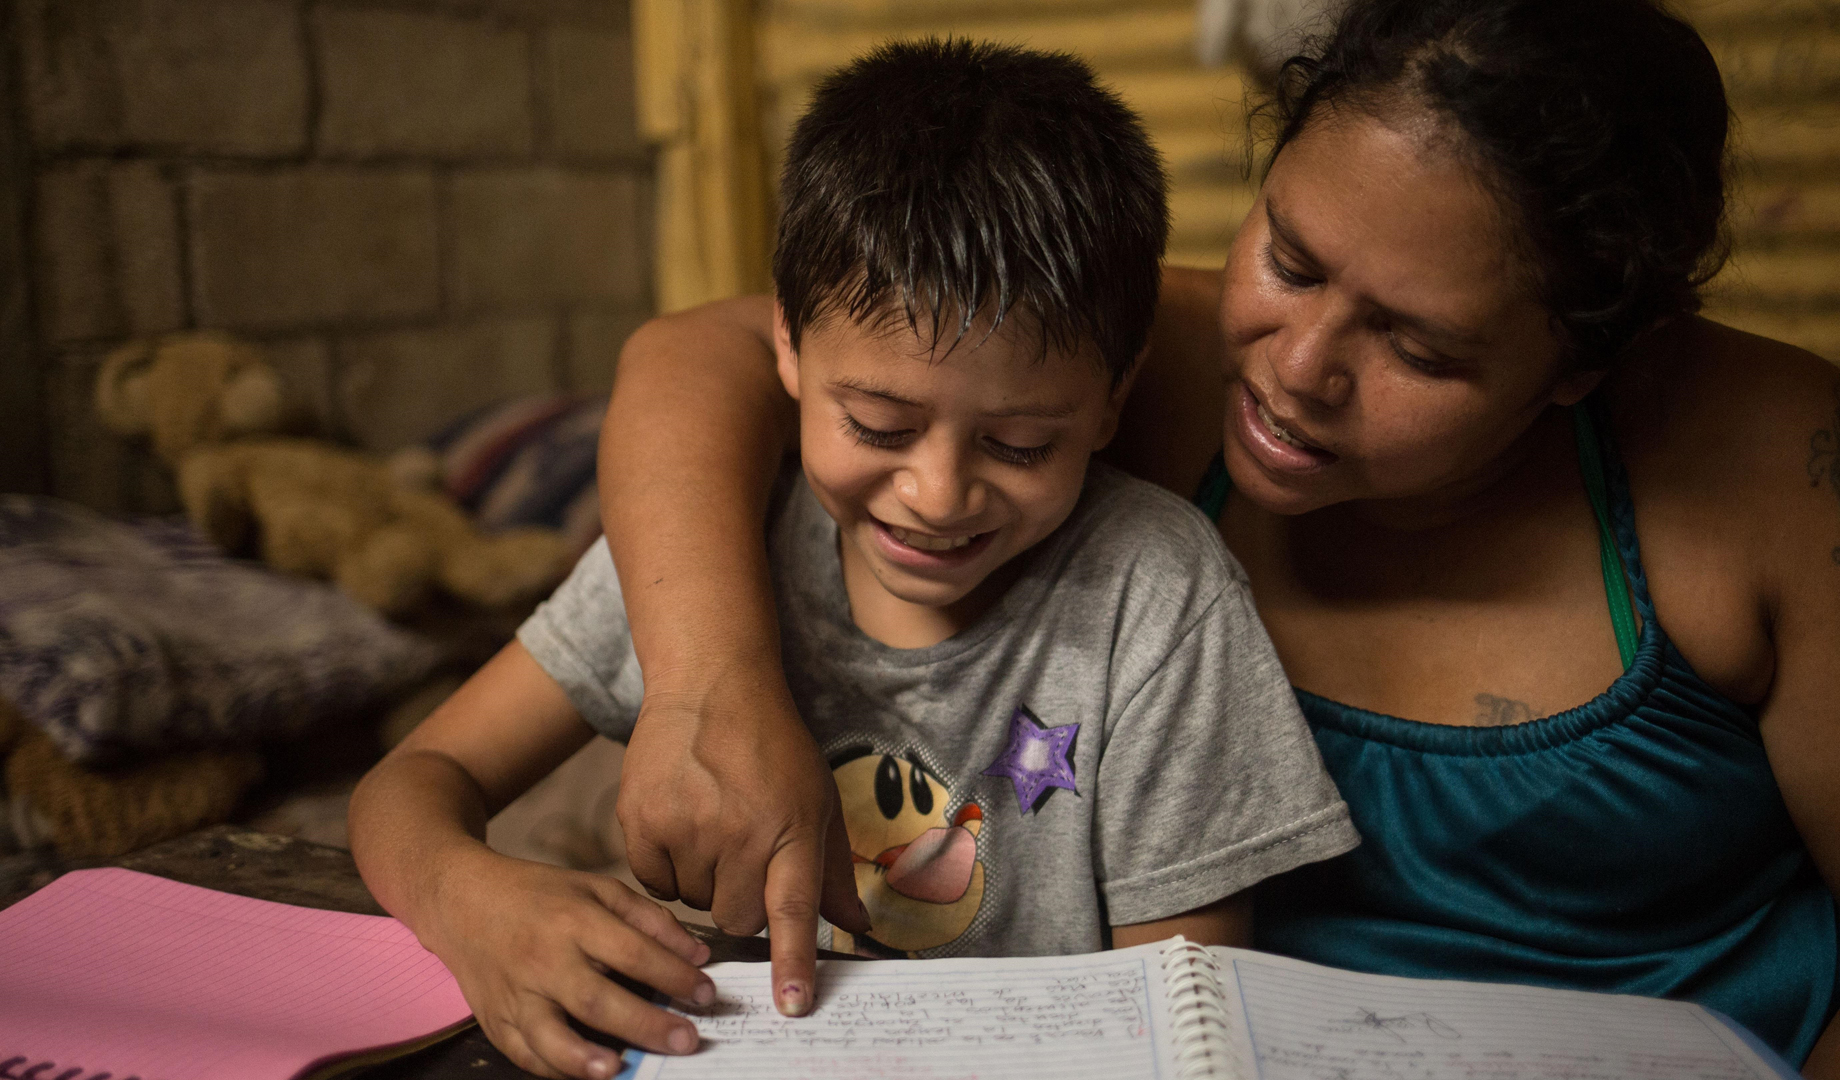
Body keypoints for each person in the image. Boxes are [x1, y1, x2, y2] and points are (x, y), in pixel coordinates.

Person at [596, 0, 1840, 1073]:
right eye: (1289, 258)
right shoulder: (1141, 370)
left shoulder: (1775, 471)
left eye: (1418, 349)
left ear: (1582, 364)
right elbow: (704, 354)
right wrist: (712, 687)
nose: (1297, 373)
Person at [350, 39, 1358, 1080]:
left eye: (1021, 445)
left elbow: (1186, 1008)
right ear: (786, 345)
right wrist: (471, 901)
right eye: (878, 425)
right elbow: (409, 784)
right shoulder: (721, 546)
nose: (938, 493)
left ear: (1114, 395)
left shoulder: (1153, 593)